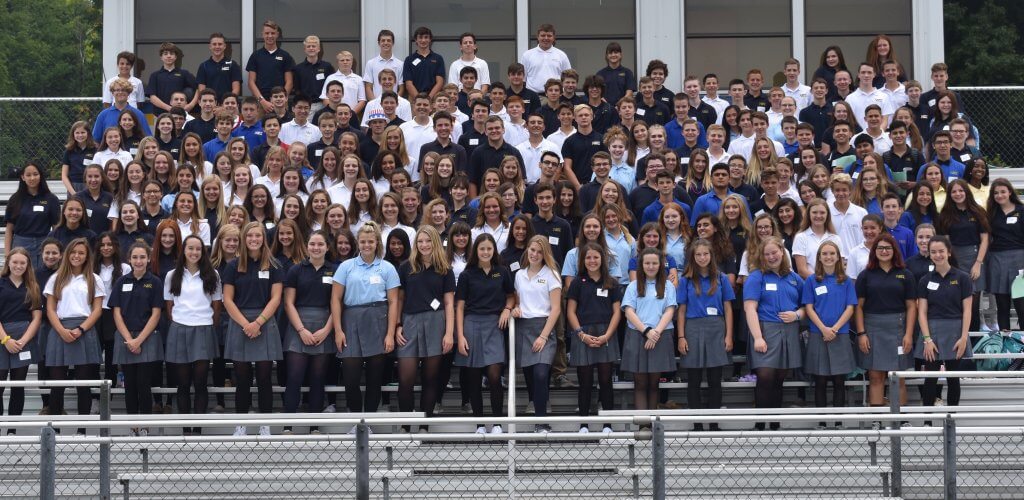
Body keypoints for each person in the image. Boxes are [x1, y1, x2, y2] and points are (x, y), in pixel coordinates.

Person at [331, 222, 399, 418]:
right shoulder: (346, 267)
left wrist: (390, 334)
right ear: (357, 243)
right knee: (351, 379)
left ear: (377, 243)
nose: (367, 245)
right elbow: (335, 299)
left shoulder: (387, 268)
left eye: (370, 241)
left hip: (378, 322)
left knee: (374, 379)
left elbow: (393, 302)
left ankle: (368, 421)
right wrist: (338, 330)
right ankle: (356, 420)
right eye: (363, 241)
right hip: (350, 322)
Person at [222, 222, 283, 436]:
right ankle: (241, 424)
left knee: (265, 378)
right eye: (250, 236)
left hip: (264, 322)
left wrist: (258, 322)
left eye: (258, 236)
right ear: (244, 239)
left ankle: (265, 424)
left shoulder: (273, 265)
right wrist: (246, 324)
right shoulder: (233, 266)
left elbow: (276, 298)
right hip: (240, 322)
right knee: (242, 378)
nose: (254, 239)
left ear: (264, 239)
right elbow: (227, 299)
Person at [394, 226, 454, 431]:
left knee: (430, 379)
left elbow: (449, 303)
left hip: (436, 323)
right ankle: (405, 427)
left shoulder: (445, 269)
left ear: (435, 242)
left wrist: (449, 333)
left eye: (428, 241)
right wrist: (397, 325)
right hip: (409, 322)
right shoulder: (405, 267)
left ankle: (423, 427)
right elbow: (399, 299)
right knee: (406, 379)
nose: (424, 245)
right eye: (420, 241)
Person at [43, 238, 105, 433]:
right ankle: (55, 431)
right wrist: (61, 330)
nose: (76, 256)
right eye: (73, 252)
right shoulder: (56, 278)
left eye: (81, 253)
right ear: (67, 254)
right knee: (57, 383)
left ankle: (82, 430)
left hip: (84, 330)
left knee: (83, 383)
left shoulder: (94, 279)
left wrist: (81, 329)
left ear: (87, 256)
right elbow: (50, 309)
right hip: (59, 329)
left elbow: (97, 310)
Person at [454, 233, 514, 434]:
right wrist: (460, 336)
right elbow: (459, 307)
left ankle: (497, 423)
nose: (486, 252)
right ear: (476, 251)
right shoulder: (466, 274)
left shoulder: (502, 271)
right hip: (471, 325)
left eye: (489, 248)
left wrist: (507, 309)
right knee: (473, 378)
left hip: (494, 326)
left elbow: (511, 296)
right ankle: (479, 424)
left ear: (494, 250)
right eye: (482, 249)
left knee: (495, 376)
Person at [676, 239, 734, 431]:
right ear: (692, 257)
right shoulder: (685, 280)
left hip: (716, 328)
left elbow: (728, 308)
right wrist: (681, 336)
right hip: (692, 329)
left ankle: (714, 423)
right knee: (694, 380)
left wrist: (729, 335)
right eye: (698, 254)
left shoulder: (722, 278)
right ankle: (697, 424)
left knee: (714, 379)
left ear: (712, 255)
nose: (702, 258)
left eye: (705, 254)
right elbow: (681, 311)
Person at [280, 231, 335, 434]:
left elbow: (337, 304)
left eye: (320, 244)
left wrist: (327, 329)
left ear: (327, 247)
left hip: (324, 325)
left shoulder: (335, 271)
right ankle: (287, 426)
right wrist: (301, 329)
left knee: (317, 379)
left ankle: (314, 427)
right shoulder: (296, 270)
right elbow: (288, 303)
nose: (316, 248)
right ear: (307, 246)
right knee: (294, 377)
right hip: (298, 325)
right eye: (312, 244)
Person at [854, 232, 916, 410]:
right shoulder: (865, 275)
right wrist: (861, 334)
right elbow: (858, 307)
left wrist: (908, 335)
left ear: (894, 250)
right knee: (875, 377)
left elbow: (912, 306)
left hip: (899, 329)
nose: (884, 251)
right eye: (880, 248)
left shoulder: (905, 274)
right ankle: (877, 420)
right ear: (874, 251)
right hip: (872, 329)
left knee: (898, 378)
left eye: (888, 248)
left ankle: (900, 420)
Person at [566, 242, 621, 433]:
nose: (592, 261)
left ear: (602, 259)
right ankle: (584, 424)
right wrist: (581, 334)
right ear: (583, 260)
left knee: (606, 381)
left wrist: (607, 336)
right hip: (583, 334)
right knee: (585, 381)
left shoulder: (611, 282)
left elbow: (617, 312)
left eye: (596, 257)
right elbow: (570, 312)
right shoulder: (577, 282)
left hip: (606, 333)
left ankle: (607, 425)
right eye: (588, 257)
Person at [801, 241, 857, 428]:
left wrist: (834, 329)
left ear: (838, 257)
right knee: (821, 380)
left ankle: (839, 422)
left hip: (840, 335)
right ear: (819, 257)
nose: (828, 257)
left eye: (832, 253)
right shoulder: (811, 280)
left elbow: (850, 307)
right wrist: (824, 329)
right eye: (824, 253)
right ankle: (822, 423)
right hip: (818, 334)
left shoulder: (845, 281)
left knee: (839, 380)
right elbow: (809, 308)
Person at [108, 242, 162, 432]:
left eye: (142, 257)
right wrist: (129, 340)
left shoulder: (155, 282)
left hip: (147, 337)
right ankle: (133, 426)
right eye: (135, 257)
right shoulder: (121, 282)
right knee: (129, 384)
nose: (138, 261)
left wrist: (139, 340)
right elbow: (116, 313)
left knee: (144, 383)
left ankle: (145, 425)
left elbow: (156, 313)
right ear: (129, 260)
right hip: (125, 337)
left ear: (149, 259)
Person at [511, 236, 562, 433]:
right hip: (524, 328)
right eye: (532, 250)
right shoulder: (519, 275)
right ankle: (537, 408)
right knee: (531, 377)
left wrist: (543, 336)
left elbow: (556, 309)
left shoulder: (552, 274)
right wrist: (516, 308)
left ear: (545, 254)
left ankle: (542, 422)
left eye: (539, 252)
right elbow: (518, 301)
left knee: (541, 374)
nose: (534, 254)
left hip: (544, 328)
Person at [915, 235, 973, 408]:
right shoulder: (925, 280)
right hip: (931, 332)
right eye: (933, 252)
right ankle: (927, 419)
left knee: (953, 378)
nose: (938, 255)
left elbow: (967, 310)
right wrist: (927, 339)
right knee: (930, 378)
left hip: (956, 331)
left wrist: (964, 338)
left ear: (948, 252)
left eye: (941, 251)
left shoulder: (963, 277)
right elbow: (922, 312)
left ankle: (951, 417)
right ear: (929, 254)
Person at [621, 248, 677, 417]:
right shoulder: (633, 285)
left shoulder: (668, 286)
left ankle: (653, 423)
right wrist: (646, 331)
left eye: (654, 263)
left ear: (661, 265)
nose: (651, 266)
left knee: (654, 383)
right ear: (641, 265)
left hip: (661, 335)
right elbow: (629, 311)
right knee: (640, 383)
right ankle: (642, 424)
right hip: (637, 334)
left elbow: (670, 310)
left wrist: (656, 332)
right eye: (647, 263)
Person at [0, 248, 43, 431]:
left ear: (27, 265)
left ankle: (12, 429)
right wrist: (6, 340)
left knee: (18, 385)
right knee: (0, 385)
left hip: (23, 339)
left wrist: (23, 341)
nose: (18, 266)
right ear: (8, 263)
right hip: (2, 337)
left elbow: (36, 318)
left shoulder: (32, 286)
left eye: (22, 263)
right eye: (15, 262)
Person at [938, 179, 989, 331]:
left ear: (966, 192)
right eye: (954, 191)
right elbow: (945, 243)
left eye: (961, 190)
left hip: (974, 259)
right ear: (949, 194)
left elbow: (985, 239)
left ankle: (973, 339)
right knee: (956, 302)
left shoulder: (978, 212)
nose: (958, 194)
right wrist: (950, 265)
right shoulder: (945, 215)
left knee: (973, 304)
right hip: (954, 260)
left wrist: (978, 264)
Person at [5, 162, 61, 270]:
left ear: (40, 176)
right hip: (21, 244)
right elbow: (9, 229)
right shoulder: (15, 199)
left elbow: (56, 227)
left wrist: (57, 250)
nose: (32, 178)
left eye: (35, 174)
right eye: (28, 175)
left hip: (44, 244)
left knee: (42, 276)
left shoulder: (51, 199)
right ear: (23, 177)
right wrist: (7, 255)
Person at [985, 179, 1024, 331]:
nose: (999, 195)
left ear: (1010, 192)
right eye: (996, 193)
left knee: (1021, 306)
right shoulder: (990, 213)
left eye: (1003, 192)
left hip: (1019, 260)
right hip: (997, 261)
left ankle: (1022, 343)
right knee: (1002, 307)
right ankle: (1005, 343)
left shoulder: (1021, 210)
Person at [247, 20, 294, 110]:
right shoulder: (255, 56)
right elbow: (251, 82)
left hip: (281, 103)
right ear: (262, 34)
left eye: (272, 33)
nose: (270, 36)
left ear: (277, 34)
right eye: (267, 33)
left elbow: (289, 82)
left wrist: (281, 100)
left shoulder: (285, 55)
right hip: (261, 103)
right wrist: (262, 101)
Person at [147, 42, 198, 113]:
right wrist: (169, 108)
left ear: (176, 57)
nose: (169, 56)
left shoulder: (184, 73)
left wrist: (191, 105)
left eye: (171, 53)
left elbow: (199, 88)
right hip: (160, 115)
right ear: (161, 57)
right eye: (165, 54)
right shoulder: (155, 75)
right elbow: (152, 97)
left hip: (179, 115)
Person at [521, 24, 571, 93]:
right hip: (533, 95)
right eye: (543, 35)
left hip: (555, 95)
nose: (546, 38)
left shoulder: (561, 55)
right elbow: (522, 78)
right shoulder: (527, 55)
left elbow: (568, 78)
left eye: (549, 36)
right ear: (538, 37)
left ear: (553, 38)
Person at [196, 33, 242, 99]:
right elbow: (202, 91)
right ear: (210, 46)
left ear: (224, 46)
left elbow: (236, 89)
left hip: (227, 104)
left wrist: (227, 102)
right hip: (210, 104)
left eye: (220, 44)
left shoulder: (232, 64)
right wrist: (209, 103)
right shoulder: (204, 66)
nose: (217, 47)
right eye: (214, 44)